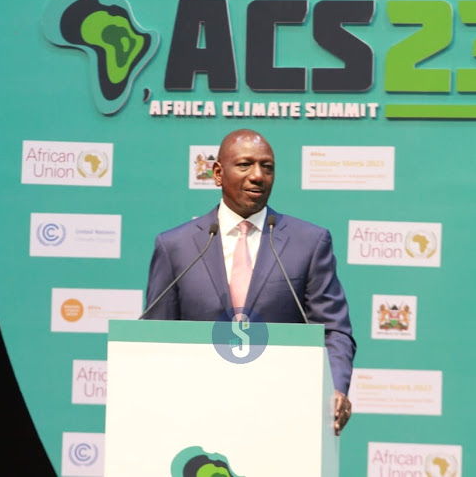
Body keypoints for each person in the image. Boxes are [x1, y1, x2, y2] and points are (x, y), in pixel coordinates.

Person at [143, 128, 355, 435]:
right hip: (194, 414)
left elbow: (334, 329)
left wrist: (334, 389)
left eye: (267, 167)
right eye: (245, 165)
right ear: (218, 173)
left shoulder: (308, 242)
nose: (258, 176)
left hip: (283, 414)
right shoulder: (176, 246)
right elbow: (155, 337)